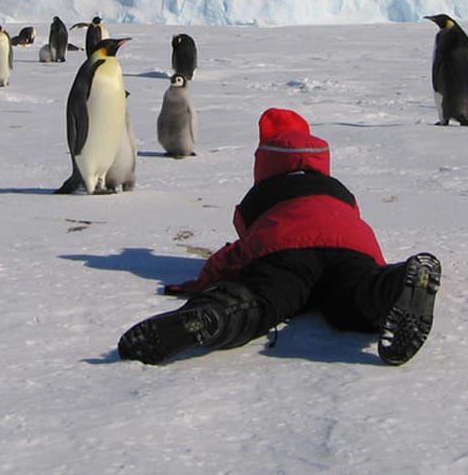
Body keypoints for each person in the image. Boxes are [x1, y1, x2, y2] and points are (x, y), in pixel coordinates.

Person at [118, 107, 441, 366]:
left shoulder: (260, 197)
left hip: (286, 252)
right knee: (352, 301)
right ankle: (395, 285)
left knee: (265, 298)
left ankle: (210, 316)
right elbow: (351, 228)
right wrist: (376, 267)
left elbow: (243, 249)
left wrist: (203, 283)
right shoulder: (341, 191)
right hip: (352, 247)